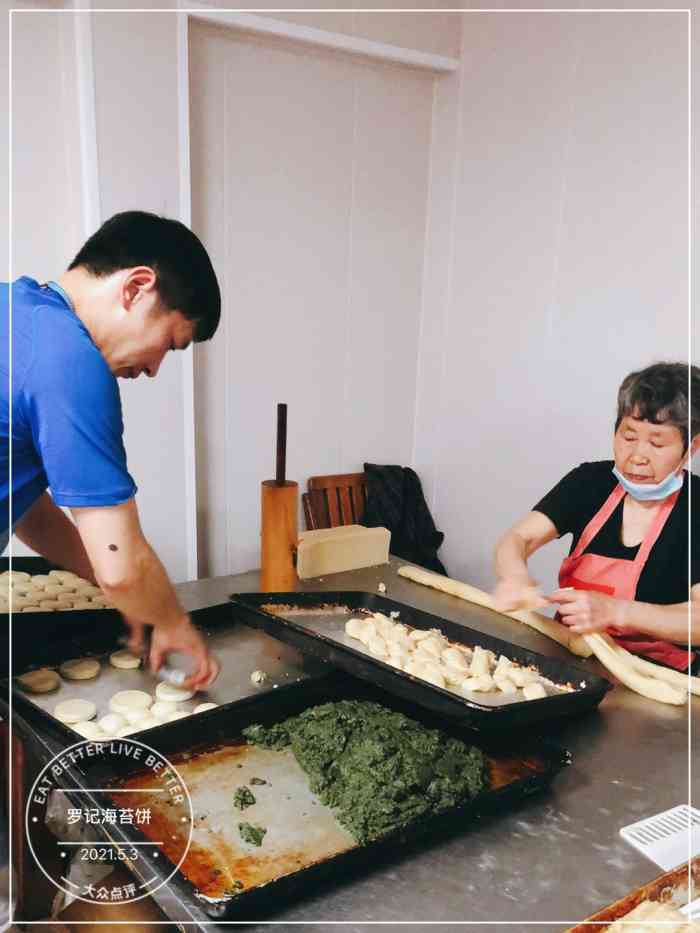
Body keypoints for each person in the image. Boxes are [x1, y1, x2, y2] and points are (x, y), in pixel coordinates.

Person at [0, 211, 221, 688]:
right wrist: (173, 623)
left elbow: (22, 506)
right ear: (137, 287)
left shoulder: (14, 316)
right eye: (169, 342)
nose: (155, 368)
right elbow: (121, 564)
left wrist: (113, 585)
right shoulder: (69, 360)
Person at [493, 362, 699, 671]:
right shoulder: (590, 482)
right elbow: (519, 538)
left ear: (691, 448)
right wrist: (514, 576)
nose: (638, 456)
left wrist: (616, 612)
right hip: (568, 658)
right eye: (628, 437)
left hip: (656, 677)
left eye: (657, 443)